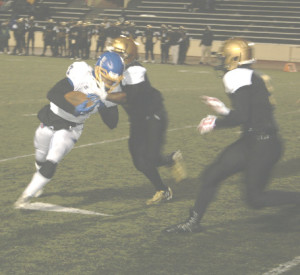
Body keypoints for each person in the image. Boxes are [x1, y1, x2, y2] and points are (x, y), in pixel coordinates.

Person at [164, 37, 300, 233]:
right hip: (257, 140)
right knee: (212, 175)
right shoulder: (251, 74)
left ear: (234, 57)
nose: (222, 61)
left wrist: (215, 122)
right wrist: (223, 110)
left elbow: (243, 116)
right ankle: (193, 222)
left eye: (224, 57)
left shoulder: (235, 75)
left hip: (262, 145)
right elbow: (249, 114)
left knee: (256, 199)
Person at [14, 52, 125, 208]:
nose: (109, 83)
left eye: (113, 80)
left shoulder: (112, 91)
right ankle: (39, 177)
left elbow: (112, 123)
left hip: (72, 127)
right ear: (99, 69)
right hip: (52, 117)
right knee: (40, 155)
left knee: (53, 159)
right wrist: (75, 108)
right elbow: (53, 93)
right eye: (107, 77)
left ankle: (26, 196)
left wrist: (104, 100)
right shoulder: (81, 73)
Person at [103, 36, 187, 205]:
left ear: (127, 55)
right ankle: (169, 160)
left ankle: (163, 190)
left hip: (153, 116)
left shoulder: (135, 71)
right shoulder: (115, 70)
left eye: (115, 53)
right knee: (140, 162)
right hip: (137, 119)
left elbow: (129, 97)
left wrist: (103, 94)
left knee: (148, 158)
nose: (110, 57)